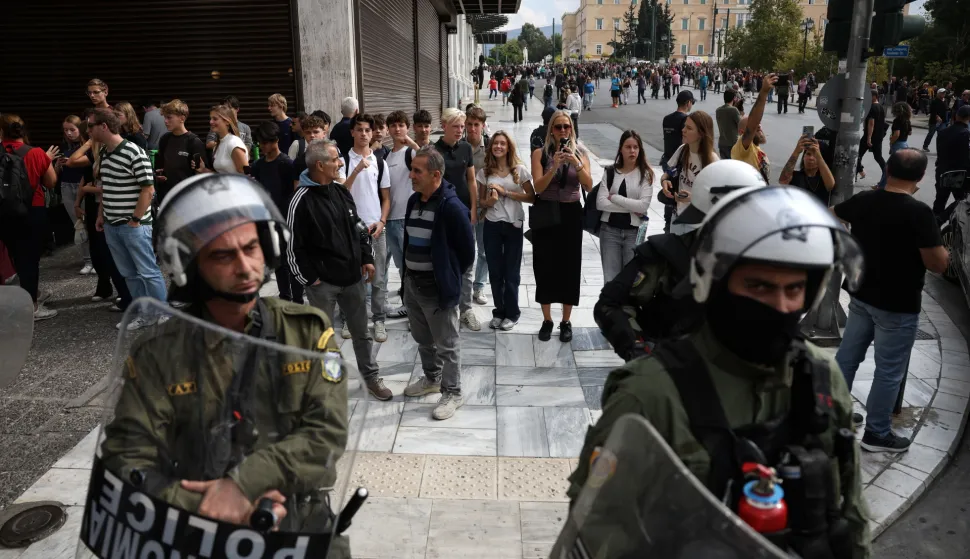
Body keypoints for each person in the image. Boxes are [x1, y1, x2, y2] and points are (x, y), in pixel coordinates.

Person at [572, 185, 871, 558]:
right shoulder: (650, 396)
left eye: (794, 289)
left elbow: (852, 513)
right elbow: (595, 529)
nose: (779, 306)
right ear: (714, 283)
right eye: (759, 285)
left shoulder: (821, 378)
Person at [102, 171, 353, 557]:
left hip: (299, 524)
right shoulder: (158, 353)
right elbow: (127, 458)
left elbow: (327, 434)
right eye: (222, 255)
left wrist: (242, 485)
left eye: (251, 248)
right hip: (200, 529)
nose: (244, 266)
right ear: (189, 264)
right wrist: (207, 507)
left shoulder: (304, 330)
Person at [834, 149, 948, 453]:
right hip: (896, 305)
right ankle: (877, 433)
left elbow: (834, 213)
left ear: (888, 170)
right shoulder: (919, 213)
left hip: (860, 294)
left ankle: (834, 416)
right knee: (888, 371)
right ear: (921, 177)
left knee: (846, 358)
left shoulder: (864, 200)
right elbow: (937, 263)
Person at [595, 160, 766, 361]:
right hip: (673, 374)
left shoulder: (762, 262)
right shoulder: (666, 255)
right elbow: (609, 305)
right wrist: (639, 348)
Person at [287, 139, 392, 401]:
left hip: (353, 278)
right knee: (324, 339)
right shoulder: (300, 200)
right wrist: (310, 279)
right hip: (323, 285)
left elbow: (358, 227)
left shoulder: (340, 191)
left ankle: (370, 377)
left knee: (362, 333)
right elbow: (291, 247)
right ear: (320, 165)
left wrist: (366, 257)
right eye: (336, 159)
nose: (341, 163)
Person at [401, 146, 475, 420]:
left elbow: (468, 252)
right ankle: (432, 378)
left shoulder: (452, 207)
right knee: (423, 339)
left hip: (437, 288)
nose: (411, 175)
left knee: (447, 344)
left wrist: (448, 276)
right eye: (411, 169)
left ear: (435, 175)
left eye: (416, 171)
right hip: (413, 285)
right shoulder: (413, 201)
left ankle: (453, 392)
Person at [88, 108, 168, 330]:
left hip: (133, 225)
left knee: (147, 270)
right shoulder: (105, 152)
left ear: (104, 126)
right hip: (113, 224)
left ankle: (163, 313)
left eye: (91, 125)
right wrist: (101, 214)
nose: (88, 130)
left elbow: (148, 189)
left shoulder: (134, 152)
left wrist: (135, 219)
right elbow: (106, 187)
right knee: (129, 274)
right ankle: (145, 313)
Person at [530, 110, 593, 343]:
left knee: (570, 266)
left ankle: (566, 321)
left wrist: (577, 164)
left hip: (570, 214)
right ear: (551, 130)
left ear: (572, 129)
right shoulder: (540, 153)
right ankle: (547, 319)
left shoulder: (581, 153)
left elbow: (588, 186)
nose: (563, 131)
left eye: (567, 126)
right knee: (544, 264)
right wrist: (554, 166)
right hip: (547, 213)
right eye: (558, 127)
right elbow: (538, 187)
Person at [0, 114, 58, 320]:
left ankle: (27, 294)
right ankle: (32, 306)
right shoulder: (36, 153)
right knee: (30, 259)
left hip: (4, 211)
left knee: (15, 255)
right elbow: (51, 182)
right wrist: (47, 162)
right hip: (32, 209)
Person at [340, 114, 391, 342]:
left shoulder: (380, 162)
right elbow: (342, 191)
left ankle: (378, 319)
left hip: (374, 227)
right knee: (350, 277)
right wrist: (357, 169)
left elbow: (386, 198)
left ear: (373, 133)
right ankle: (349, 318)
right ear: (352, 132)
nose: (363, 134)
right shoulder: (343, 160)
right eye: (359, 129)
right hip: (350, 227)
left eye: (367, 130)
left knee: (378, 278)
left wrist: (382, 221)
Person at [478, 131, 534, 330]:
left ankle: (512, 313)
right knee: (495, 271)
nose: (498, 147)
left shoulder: (520, 170)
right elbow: (480, 201)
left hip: (513, 225)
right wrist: (490, 201)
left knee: (511, 271)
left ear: (509, 147)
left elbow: (532, 197)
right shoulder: (484, 172)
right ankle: (499, 312)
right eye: (495, 143)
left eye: (502, 143)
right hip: (492, 225)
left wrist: (506, 193)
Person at [435, 108, 481, 331]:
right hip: (442, 213)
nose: (460, 131)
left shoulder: (466, 148)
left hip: (463, 212)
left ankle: (466, 308)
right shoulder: (434, 151)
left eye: (462, 127)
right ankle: (443, 305)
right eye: (456, 127)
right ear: (444, 126)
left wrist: (473, 208)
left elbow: (471, 180)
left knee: (467, 261)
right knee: (443, 259)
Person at [251, 121, 301, 304]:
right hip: (266, 220)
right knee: (277, 262)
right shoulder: (258, 165)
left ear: (276, 141)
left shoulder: (287, 164)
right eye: (260, 143)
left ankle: (296, 300)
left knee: (290, 261)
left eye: (266, 142)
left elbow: (292, 193)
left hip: (285, 218)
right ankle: (285, 297)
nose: (263, 146)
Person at [596, 130, 654, 282]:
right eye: (628, 147)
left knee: (630, 281)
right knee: (611, 280)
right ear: (621, 149)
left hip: (633, 234)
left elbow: (643, 206)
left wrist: (615, 198)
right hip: (609, 232)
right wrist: (633, 207)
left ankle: (627, 307)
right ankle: (611, 307)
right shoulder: (610, 172)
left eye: (635, 147)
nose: (632, 151)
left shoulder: (645, 174)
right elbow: (601, 203)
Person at [660, 111, 719, 233]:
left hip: (698, 225)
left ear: (701, 133)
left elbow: (717, 199)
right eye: (684, 126)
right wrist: (665, 182)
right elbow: (667, 174)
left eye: (689, 128)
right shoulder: (682, 150)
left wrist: (693, 198)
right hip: (677, 216)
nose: (683, 130)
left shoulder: (712, 160)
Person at [58, 115, 93, 275]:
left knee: (87, 223)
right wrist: (57, 165)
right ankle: (87, 260)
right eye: (66, 130)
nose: (69, 133)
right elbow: (57, 173)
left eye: (72, 129)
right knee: (78, 225)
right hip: (66, 185)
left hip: (83, 186)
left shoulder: (88, 146)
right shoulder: (63, 147)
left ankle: (94, 259)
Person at [154, 99, 206, 205]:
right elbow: (159, 166)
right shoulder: (165, 139)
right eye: (165, 117)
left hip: (187, 198)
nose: (165, 121)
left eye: (169, 117)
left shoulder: (193, 142)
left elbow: (200, 174)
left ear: (182, 118)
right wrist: (157, 176)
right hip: (166, 196)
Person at [465, 106, 491, 306]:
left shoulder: (491, 148)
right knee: (464, 249)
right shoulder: (458, 146)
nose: (472, 128)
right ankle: (463, 286)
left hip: (484, 208)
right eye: (469, 124)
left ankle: (479, 286)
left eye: (476, 125)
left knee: (484, 250)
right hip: (463, 207)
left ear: (482, 126)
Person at [732, 74, 776, 183]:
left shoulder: (755, 149)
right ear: (742, 133)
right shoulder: (740, 148)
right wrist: (764, 92)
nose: (759, 126)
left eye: (759, 124)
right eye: (756, 126)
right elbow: (752, 123)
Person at [932, 105, 970, 217]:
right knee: (962, 201)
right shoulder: (965, 134)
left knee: (940, 200)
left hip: (942, 171)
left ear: (956, 116)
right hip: (958, 173)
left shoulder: (943, 132)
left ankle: (934, 224)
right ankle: (942, 219)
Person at [779, 135, 836, 205]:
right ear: (803, 157)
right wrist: (796, 151)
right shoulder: (796, 176)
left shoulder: (823, 179)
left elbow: (830, 185)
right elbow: (783, 181)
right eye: (808, 154)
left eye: (814, 155)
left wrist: (818, 153)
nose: (811, 158)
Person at [878, 102, 913, 188]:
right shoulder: (907, 120)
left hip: (898, 144)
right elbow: (910, 133)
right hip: (904, 144)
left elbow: (897, 134)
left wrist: (891, 141)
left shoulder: (897, 120)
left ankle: (882, 186)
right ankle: (882, 185)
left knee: (889, 167)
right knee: (893, 166)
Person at [206, 105, 248, 174]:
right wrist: (203, 169)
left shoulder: (234, 143)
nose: (211, 122)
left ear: (227, 122)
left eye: (215, 119)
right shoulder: (219, 143)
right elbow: (222, 174)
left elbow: (246, 173)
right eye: (210, 118)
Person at [857, 89, 887, 182]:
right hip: (879, 136)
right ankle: (887, 174)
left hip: (870, 136)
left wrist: (869, 138)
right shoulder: (881, 107)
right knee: (878, 157)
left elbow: (871, 123)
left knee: (856, 155)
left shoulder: (872, 107)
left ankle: (860, 171)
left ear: (874, 96)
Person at [715, 90, 741, 160]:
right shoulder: (734, 110)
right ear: (734, 98)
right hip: (732, 143)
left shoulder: (718, 110)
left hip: (722, 143)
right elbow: (741, 125)